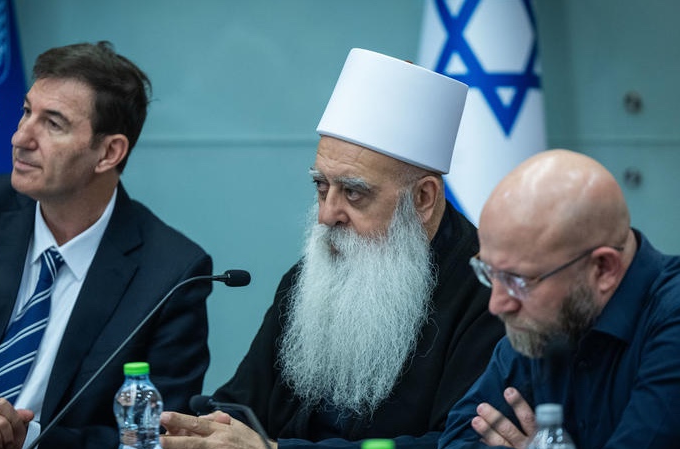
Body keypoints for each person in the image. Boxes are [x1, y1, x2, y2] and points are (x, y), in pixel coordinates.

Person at [160, 48, 504, 449]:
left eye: (354, 193)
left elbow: (459, 443)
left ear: (423, 199)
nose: (327, 215)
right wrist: (211, 432)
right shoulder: (312, 277)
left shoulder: (492, 292)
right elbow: (241, 401)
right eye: (321, 187)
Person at [0, 42, 212, 449]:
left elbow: (154, 436)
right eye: (26, 112)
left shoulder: (171, 274)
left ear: (109, 152)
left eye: (52, 124)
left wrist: (28, 439)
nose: (21, 137)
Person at [438, 149, 680, 449]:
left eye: (518, 280)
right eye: (490, 272)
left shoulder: (671, 317)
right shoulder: (540, 324)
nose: (497, 304)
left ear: (603, 269)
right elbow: (456, 438)